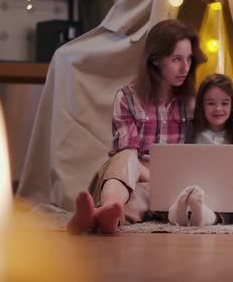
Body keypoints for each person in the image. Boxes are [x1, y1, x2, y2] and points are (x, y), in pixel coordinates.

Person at [67, 19, 207, 234]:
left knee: (140, 198)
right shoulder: (127, 97)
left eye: (188, 59)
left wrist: (168, 180)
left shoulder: (190, 102)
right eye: (176, 59)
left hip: (171, 183)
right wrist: (159, 177)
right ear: (155, 60)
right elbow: (129, 155)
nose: (185, 68)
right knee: (125, 159)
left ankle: (96, 219)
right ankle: (107, 211)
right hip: (132, 174)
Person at [167, 74, 233, 227]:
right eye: (211, 103)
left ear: (232, 105)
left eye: (225, 103)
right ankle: (180, 212)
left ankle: (202, 216)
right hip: (189, 189)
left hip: (224, 197)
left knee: (229, 211)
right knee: (176, 199)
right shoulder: (190, 130)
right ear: (201, 105)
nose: (218, 109)